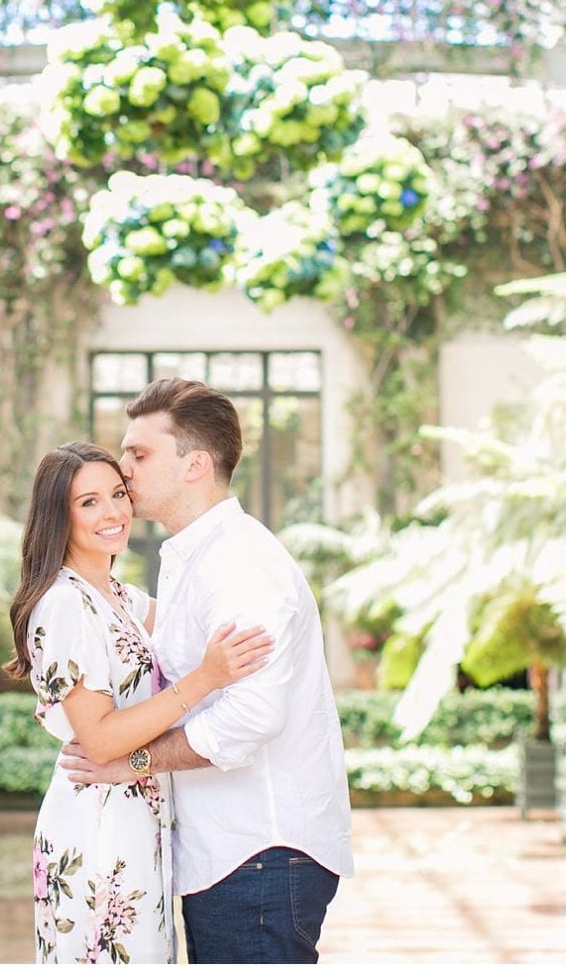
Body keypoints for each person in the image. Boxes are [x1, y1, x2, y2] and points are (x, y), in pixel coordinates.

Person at [61, 379, 355, 963]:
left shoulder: (238, 563)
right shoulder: (193, 557)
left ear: (195, 464)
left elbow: (252, 714)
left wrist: (133, 760)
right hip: (233, 853)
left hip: (260, 855)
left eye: (138, 455)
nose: (122, 471)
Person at [7, 441, 275, 964]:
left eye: (118, 494)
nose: (113, 512)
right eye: (89, 502)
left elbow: (198, 621)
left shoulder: (120, 596)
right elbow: (101, 738)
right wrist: (204, 680)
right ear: (57, 517)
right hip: (98, 821)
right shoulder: (64, 603)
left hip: (138, 813)